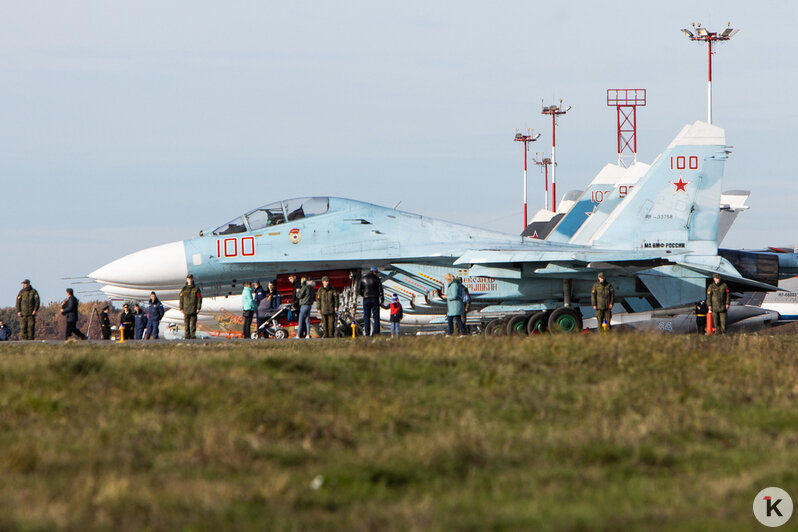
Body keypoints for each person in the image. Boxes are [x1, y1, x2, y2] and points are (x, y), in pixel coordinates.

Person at [358, 267, 384, 336]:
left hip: (366, 299)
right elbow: (381, 290)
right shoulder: (377, 279)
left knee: (366, 317)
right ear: (374, 272)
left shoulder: (363, 278)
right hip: (375, 299)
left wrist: (363, 295)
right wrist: (382, 299)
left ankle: (367, 333)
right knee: (376, 317)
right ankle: (377, 333)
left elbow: (359, 289)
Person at [179, 274, 202, 339]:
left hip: (194, 309)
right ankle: (187, 336)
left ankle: (192, 335)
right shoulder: (184, 289)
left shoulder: (196, 289)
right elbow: (181, 299)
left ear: (192, 279)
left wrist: (198, 308)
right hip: (186, 309)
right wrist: (181, 308)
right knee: (186, 324)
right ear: (187, 279)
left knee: (193, 324)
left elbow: (199, 299)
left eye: (191, 278)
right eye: (189, 279)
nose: (190, 280)